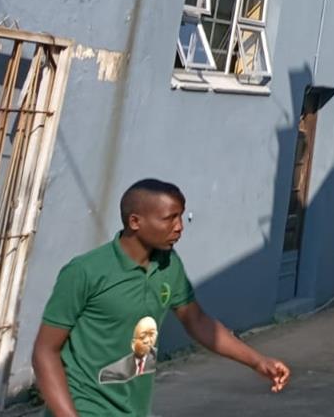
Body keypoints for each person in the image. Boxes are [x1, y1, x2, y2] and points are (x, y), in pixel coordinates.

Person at [32, 179, 290, 417]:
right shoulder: (85, 272)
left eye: (180, 216)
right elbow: (45, 352)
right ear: (135, 222)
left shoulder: (168, 265)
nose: (179, 227)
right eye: (169, 218)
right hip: (85, 409)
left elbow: (197, 321)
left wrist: (258, 361)